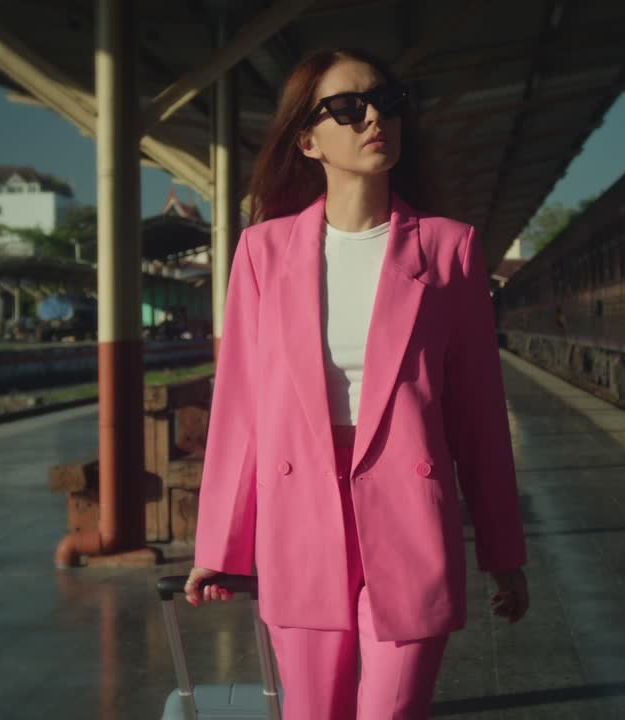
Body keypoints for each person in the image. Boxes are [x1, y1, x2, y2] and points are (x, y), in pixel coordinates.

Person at [184, 47, 529, 720]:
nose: (375, 117)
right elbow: (241, 409)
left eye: (387, 102)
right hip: (299, 520)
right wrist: (218, 545)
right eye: (348, 106)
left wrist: (502, 551)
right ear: (308, 140)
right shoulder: (264, 251)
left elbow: (478, 415)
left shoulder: (448, 249)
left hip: (411, 519)